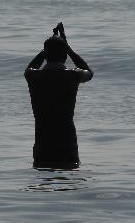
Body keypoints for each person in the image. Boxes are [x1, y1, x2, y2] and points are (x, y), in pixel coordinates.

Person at [24, 22, 93, 169]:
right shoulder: (73, 75)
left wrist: (46, 50)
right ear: (65, 55)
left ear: (46, 55)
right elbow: (89, 72)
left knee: (42, 184)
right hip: (67, 145)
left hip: (43, 146)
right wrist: (68, 48)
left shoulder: (34, 76)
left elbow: (29, 68)